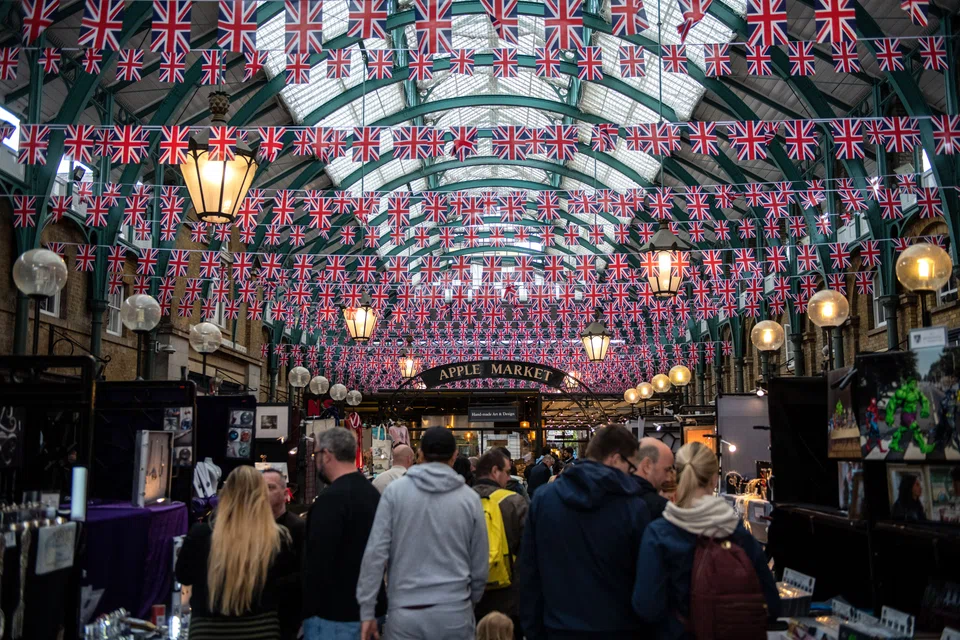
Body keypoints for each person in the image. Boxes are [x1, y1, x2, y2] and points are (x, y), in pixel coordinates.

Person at [632, 442, 781, 639]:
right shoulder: (737, 533)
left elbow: (647, 607)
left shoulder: (659, 534)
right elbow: (772, 603)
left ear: (677, 476)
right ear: (714, 479)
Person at [518, 425, 651, 640]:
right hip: (617, 628)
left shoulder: (544, 499)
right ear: (615, 459)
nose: (631, 473)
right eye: (630, 466)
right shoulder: (633, 507)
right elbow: (642, 580)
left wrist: (533, 630)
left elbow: (529, 572)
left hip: (556, 627)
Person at [357, 427, 489, 640]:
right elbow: (480, 565)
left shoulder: (395, 493)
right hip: (454, 612)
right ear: (455, 455)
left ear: (419, 454)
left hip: (405, 613)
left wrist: (367, 610)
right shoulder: (469, 499)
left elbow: (375, 555)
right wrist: (466, 601)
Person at [175, 466, 296, 640]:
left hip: (207, 631)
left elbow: (183, 576)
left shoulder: (200, 534)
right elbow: (286, 587)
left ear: (225, 496)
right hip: (261, 630)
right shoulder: (279, 538)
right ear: (261, 496)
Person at [302, 428, 387, 640]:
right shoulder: (372, 494)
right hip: (371, 608)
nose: (315, 461)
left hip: (335, 615)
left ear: (327, 455)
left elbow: (318, 560)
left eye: (316, 455)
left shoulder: (331, 500)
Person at [473, 450, 529, 639]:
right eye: (507, 471)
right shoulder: (514, 502)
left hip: (469, 598)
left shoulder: (460, 500)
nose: (508, 477)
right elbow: (528, 552)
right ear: (495, 471)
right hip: (508, 599)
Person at [263, 469, 306, 640]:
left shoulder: (297, 528)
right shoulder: (252, 527)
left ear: (284, 492)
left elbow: (304, 571)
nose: (265, 492)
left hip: (289, 613)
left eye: (271, 487)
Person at [633, 438, 675, 520]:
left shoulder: (613, 497)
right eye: (666, 470)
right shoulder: (660, 508)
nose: (669, 478)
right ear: (647, 466)